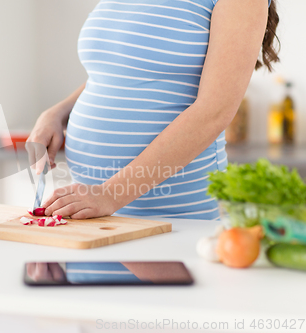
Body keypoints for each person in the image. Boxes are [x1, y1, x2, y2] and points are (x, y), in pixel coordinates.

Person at [27, 0, 279, 220]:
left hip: (175, 215)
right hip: (92, 210)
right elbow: (117, 72)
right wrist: (58, 112)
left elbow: (214, 112)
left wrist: (110, 194)